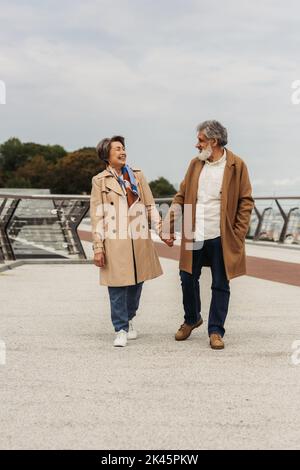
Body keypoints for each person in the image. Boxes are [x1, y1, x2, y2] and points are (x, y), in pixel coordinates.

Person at [162, 120, 254, 349]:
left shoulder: (236, 165)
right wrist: (168, 225)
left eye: (201, 140)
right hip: (195, 233)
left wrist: (238, 233)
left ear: (213, 141)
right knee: (187, 278)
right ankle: (192, 319)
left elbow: (246, 201)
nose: (196, 145)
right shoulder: (195, 164)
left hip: (222, 236)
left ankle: (216, 331)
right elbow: (181, 196)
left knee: (220, 283)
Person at [90, 135, 164, 347]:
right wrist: (98, 247)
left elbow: (149, 205)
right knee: (116, 286)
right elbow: (97, 215)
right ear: (107, 155)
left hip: (139, 238)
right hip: (114, 240)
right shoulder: (99, 181)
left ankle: (129, 318)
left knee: (137, 284)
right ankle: (120, 328)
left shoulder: (137, 176)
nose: (123, 152)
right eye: (117, 149)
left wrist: (160, 228)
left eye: (123, 148)